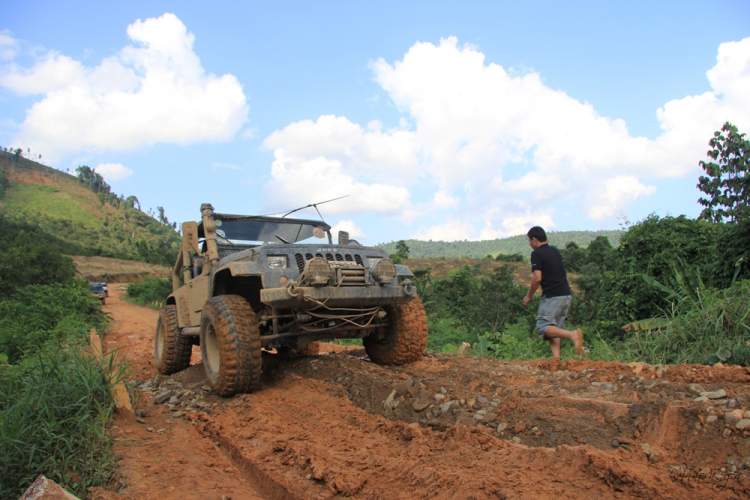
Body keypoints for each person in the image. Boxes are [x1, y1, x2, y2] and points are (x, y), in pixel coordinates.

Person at [522, 226, 583, 358]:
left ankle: (572, 335)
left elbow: (537, 278)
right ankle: (556, 360)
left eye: (529, 240)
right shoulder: (555, 251)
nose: (529, 243)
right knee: (554, 330)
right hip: (565, 295)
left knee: (542, 327)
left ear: (534, 239)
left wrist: (528, 296)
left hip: (552, 296)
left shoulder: (536, 254)